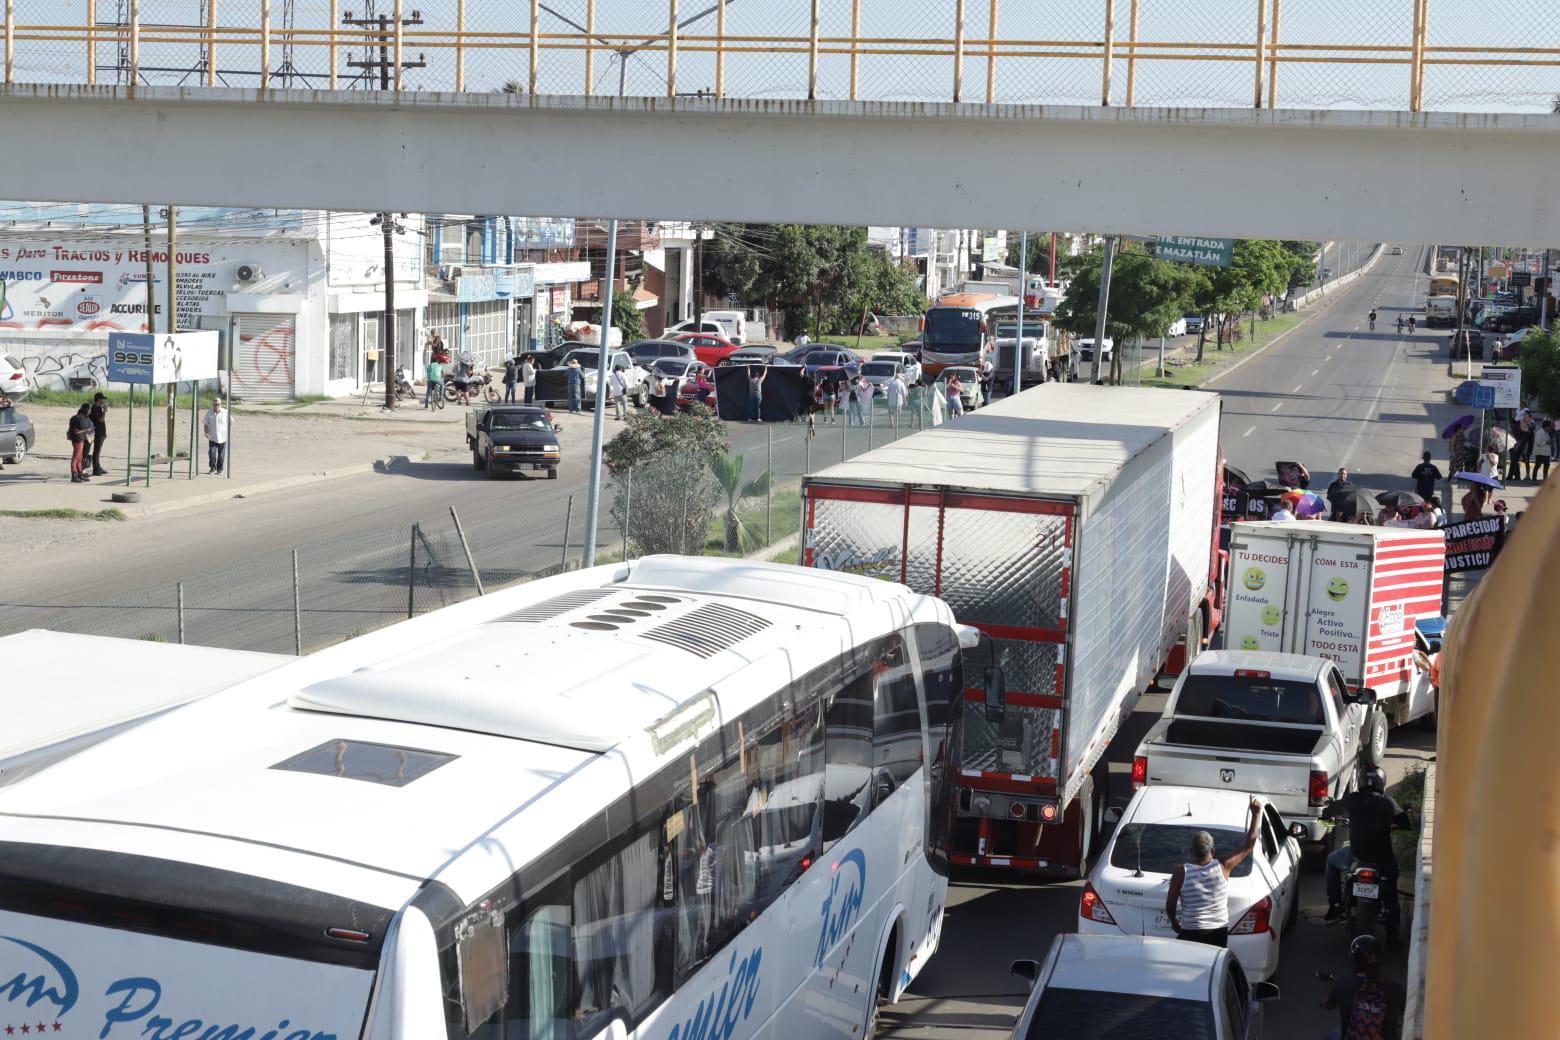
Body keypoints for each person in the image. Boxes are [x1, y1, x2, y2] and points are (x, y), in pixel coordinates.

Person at [1322, 766, 1412, 943]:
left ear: (1361, 781)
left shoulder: (1352, 799)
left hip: (1356, 856)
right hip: (1383, 860)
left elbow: (1327, 813)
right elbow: (1406, 823)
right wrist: (1395, 823)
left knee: (1331, 861)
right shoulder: (1387, 802)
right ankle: (1393, 939)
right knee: (1391, 895)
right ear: (1382, 782)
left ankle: (1335, 904)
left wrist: (1329, 815)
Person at [1164, 797, 1263, 948]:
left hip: (1191, 931)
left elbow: (1170, 906)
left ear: (1191, 851)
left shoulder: (1180, 872)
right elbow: (1249, 846)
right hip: (1218, 933)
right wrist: (1256, 814)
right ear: (1213, 851)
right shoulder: (1223, 866)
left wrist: (1174, 922)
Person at [1322, 935, 1406, 1040]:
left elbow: (1329, 1004)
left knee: (1331, 1035)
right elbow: (1405, 1010)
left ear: (1354, 959)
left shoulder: (1341, 984)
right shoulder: (1396, 989)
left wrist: (1324, 1002)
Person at [67, 403, 94, 482]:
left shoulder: (79, 418)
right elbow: (76, 431)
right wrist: (86, 430)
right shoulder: (74, 419)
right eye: (83, 416)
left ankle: (79, 474)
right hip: (77, 440)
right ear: (81, 414)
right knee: (75, 458)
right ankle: (74, 476)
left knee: (80, 458)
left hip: (81, 440)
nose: (84, 418)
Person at [202, 397, 228, 475]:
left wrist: (226, 430)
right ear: (213, 404)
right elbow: (206, 424)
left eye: (218, 404)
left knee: (221, 455)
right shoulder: (209, 412)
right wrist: (206, 433)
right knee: (212, 453)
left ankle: (220, 469)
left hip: (222, 437)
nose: (217, 406)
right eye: (215, 404)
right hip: (212, 437)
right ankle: (212, 468)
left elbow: (231, 421)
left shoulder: (225, 412)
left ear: (220, 404)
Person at [88, 392, 110, 476]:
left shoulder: (98, 407)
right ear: (99, 399)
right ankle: (96, 469)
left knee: (98, 451)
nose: (104, 400)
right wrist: (104, 411)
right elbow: (100, 420)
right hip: (97, 433)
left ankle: (98, 467)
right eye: (102, 399)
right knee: (96, 451)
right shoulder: (94, 408)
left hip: (101, 432)